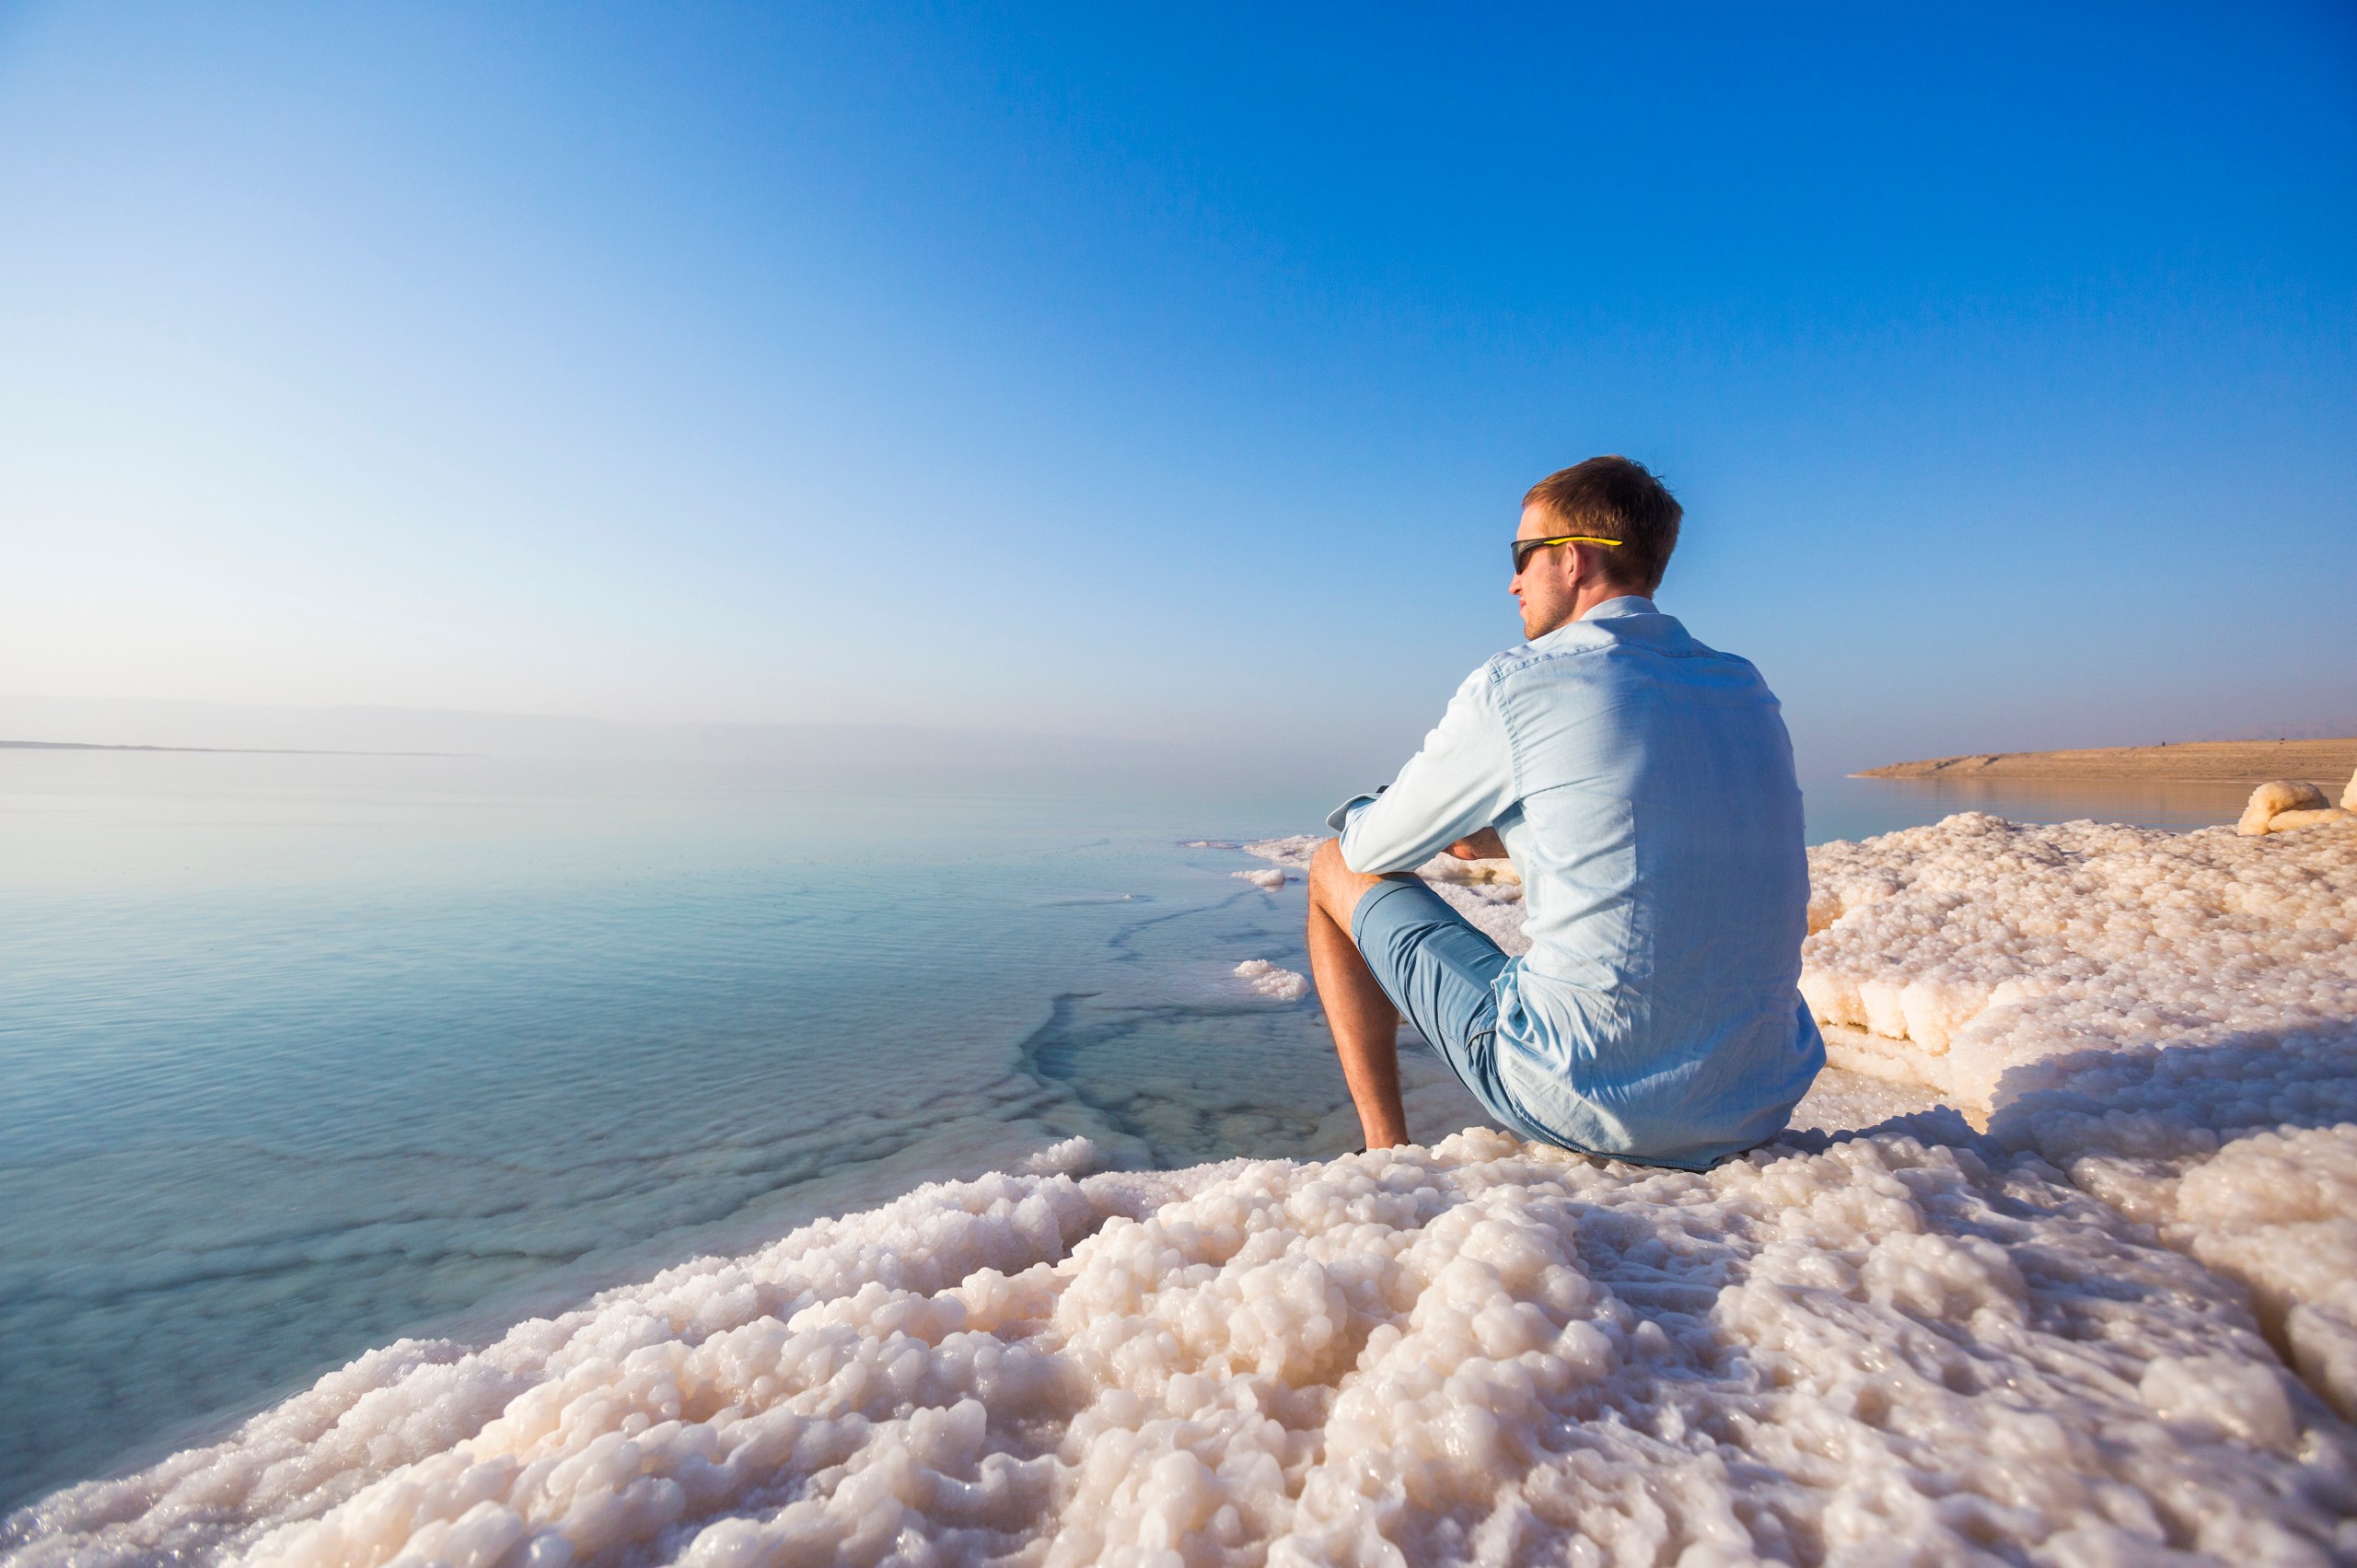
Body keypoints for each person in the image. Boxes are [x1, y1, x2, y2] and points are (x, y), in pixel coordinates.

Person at [1305, 456, 1822, 1167]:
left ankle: (1382, 1152)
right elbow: (1662, 835)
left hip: (1590, 1098)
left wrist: (1385, 808)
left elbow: (1369, 847)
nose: (1513, 580)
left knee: (1332, 865)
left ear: (1573, 560)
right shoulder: (1744, 686)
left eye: (1522, 555)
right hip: (1757, 1099)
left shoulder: (1521, 683)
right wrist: (1522, 833)